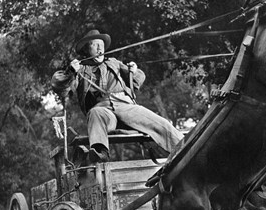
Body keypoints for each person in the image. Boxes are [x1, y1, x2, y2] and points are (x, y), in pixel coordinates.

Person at [51, 29, 183, 162]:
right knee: (95, 112)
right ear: (86, 49)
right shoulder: (80, 69)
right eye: (94, 44)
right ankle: (100, 152)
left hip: (126, 106)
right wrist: (70, 71)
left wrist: (134, 70)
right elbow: (59, 86)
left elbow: (136, 82)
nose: (99, 47)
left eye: (101, 45)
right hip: (103, 111)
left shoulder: (114, 63)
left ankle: (185, 148)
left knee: (160, 123)